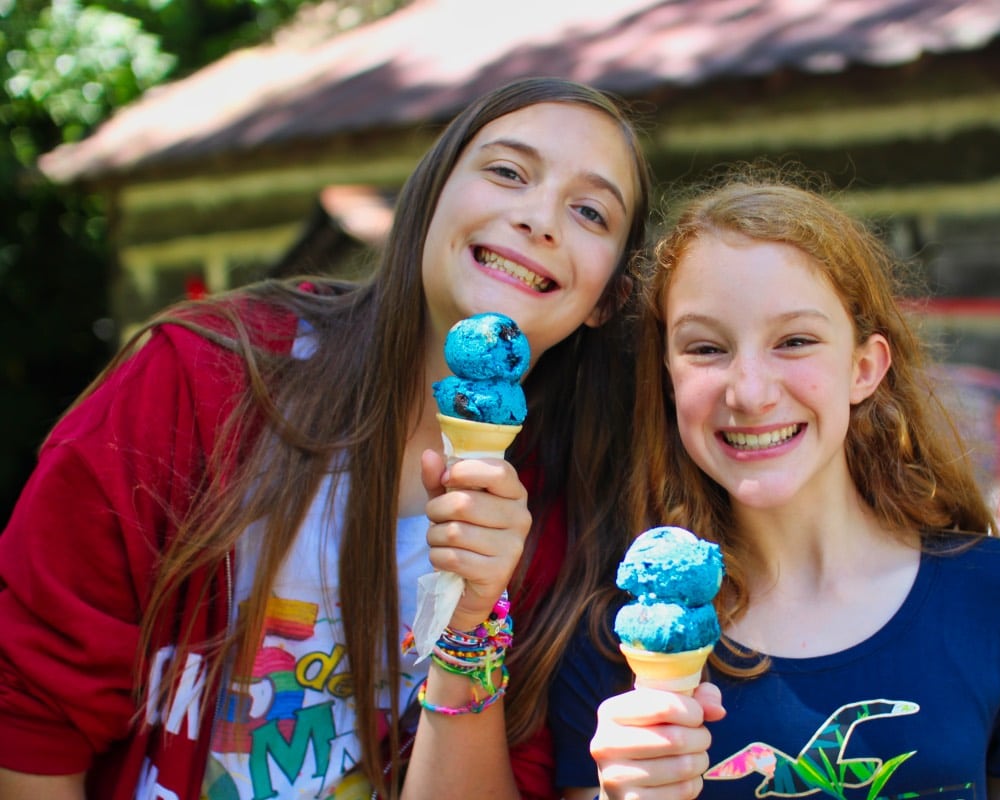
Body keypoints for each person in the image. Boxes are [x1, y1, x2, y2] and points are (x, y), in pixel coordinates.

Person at [0, 76, 651, 800]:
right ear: (427, 195)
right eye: (507, 171)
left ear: (608, 299)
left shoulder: (577, 527)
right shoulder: (205, 378)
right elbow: (32, 713)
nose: (540, 219)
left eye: (590, 211)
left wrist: (472, 627)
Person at [548, 170, 1000, 799]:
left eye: (794, 341)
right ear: (668, 377)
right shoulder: (613, 641)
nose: (750, 392)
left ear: (864, 367)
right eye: (706, 349)